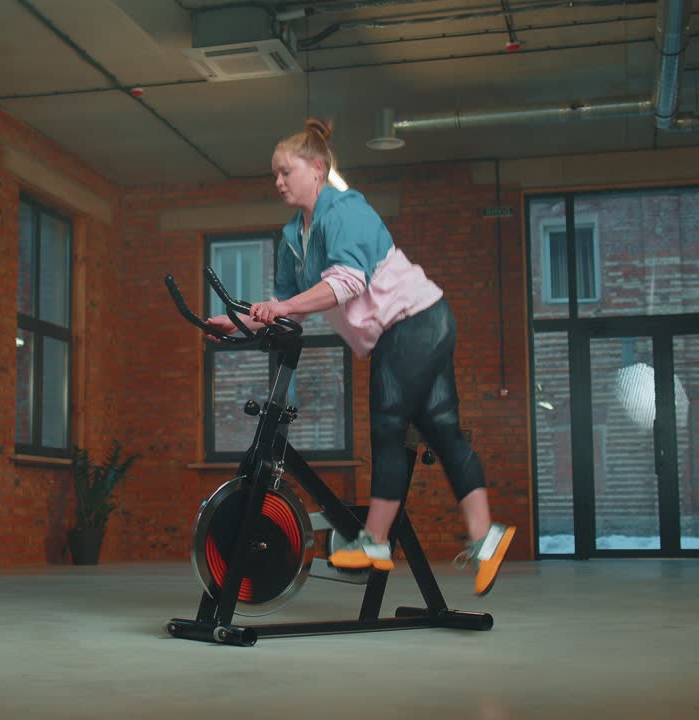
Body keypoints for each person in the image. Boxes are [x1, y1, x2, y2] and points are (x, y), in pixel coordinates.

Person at [204, 118, 515, 596]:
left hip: (412, 322)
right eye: (275, 174)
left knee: (388, 424)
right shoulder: (292, 238)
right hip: (423, 322)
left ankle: (375, 542)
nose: (278, 182)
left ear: (317, 168)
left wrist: (279, 309)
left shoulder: (346, 210)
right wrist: (239, 322)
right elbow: (286, 308)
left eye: (286, 171)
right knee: (442, 430)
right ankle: (486, 538)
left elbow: (347, 283)